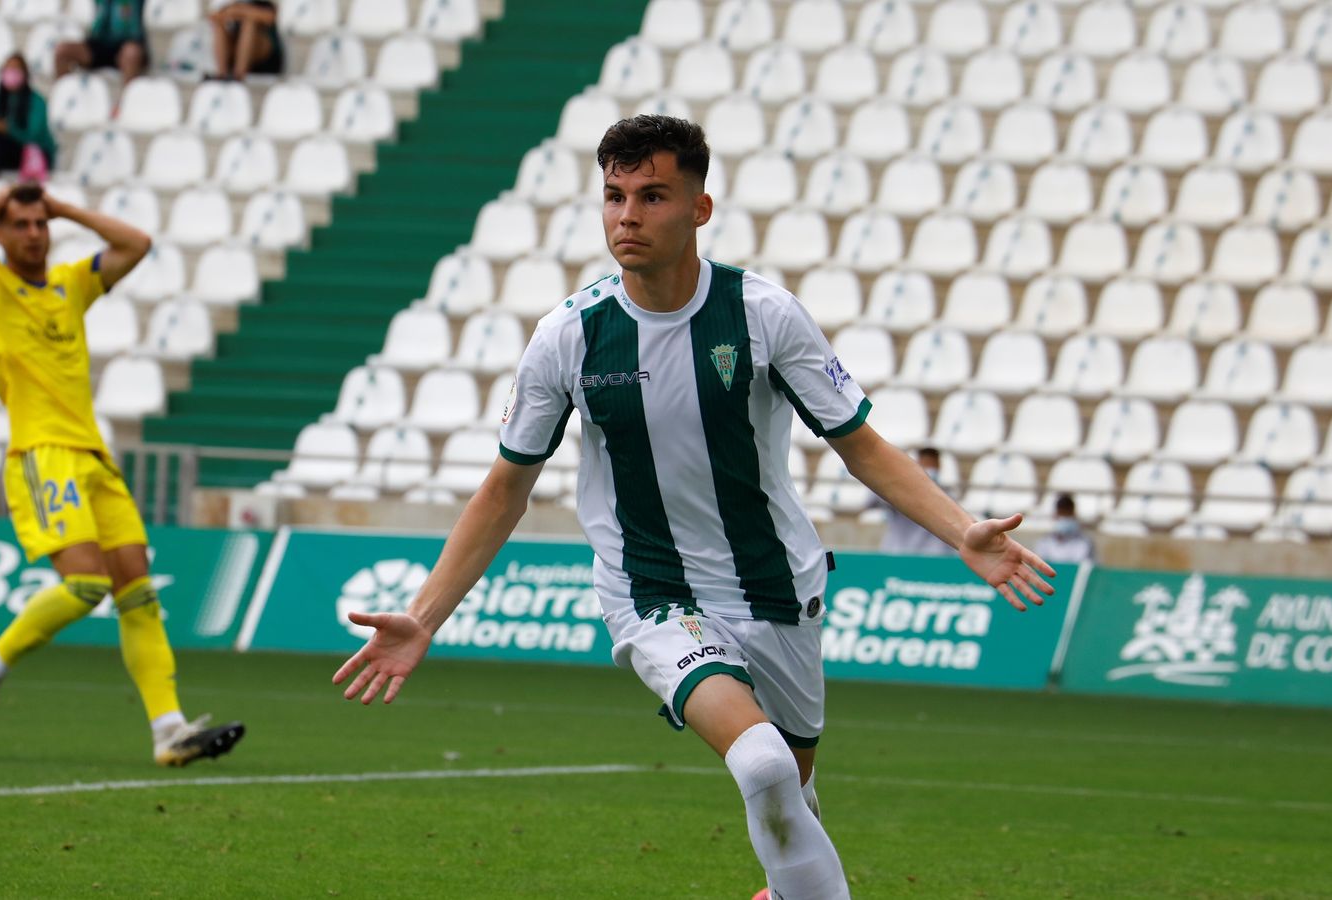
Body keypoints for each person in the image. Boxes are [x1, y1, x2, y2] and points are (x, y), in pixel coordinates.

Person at [330, 115, 1056, 900]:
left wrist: (961, 532)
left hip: (780, 589)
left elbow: (861, 444)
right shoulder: (569, 338)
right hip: (652, 593)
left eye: (651, 195)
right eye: (613, 196)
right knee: (763, 762)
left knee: (794, 799)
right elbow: (505, 488)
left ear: (699, 209)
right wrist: (426, 616)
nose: (627, 216)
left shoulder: (764, 315)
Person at [0, 183, 245, 767]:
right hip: (40, 454)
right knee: (86, 585)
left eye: (41, 224)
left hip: (94, 458)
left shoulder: (70, 282)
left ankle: (168, 730)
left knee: (138, 596)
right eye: (21, 224)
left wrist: (64, 208)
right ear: (0, 235)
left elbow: (136, 243)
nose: (35, 233)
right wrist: (2, 198)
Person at [872, 447, 957, 556]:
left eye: (933, 463)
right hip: (899, 555)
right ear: (917, 463)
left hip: (932, 558)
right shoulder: (897, 489)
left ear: (939, 465)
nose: (930, 467)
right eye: (926, 461)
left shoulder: (947, 494)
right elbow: (871, 501)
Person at [54, 0, 148, 94]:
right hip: (100, 42)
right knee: (62, 51)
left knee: (131, 53)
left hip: (128, 41)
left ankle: (125, 103)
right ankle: (63, 97)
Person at [209, 0, 283, 81]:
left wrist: (241, 11)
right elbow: (213, 16)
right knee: (219, 24)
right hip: (234, 55)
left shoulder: (264, 4)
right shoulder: (227, 4)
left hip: (266, 57)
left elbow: (271, 17)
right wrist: (231, 12)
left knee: (249, 23)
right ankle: (222, 74)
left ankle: (238, 75)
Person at [1034, 493, 1097, 564]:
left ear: (1074, 514)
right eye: (1061, 513)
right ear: (1055, 515)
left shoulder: (1085, 543)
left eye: (1067, 514)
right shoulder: (1044, 543)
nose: (1064, 517)